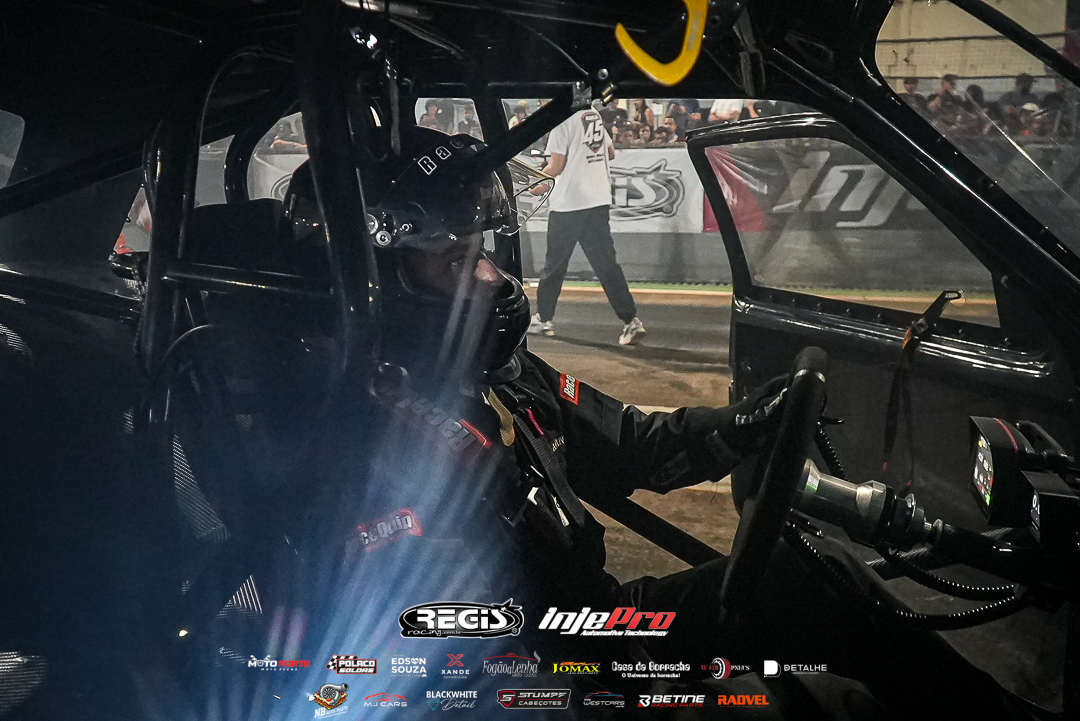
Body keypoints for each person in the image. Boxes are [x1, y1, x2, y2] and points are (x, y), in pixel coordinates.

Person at [271, 126, 1038, 720]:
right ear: (376, 285)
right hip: (542, 670)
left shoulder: (496, 375)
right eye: (454, 261)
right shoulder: (363, 453)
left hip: (594, 626)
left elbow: (627, 444)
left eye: (483, 251)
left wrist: (743, 424)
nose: (492, 276)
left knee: (810, 574)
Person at [529, 106, 645, 345]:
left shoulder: (562, 120)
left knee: (554, 265)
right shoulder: (592, 113)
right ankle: (631, 320)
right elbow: (610, 153)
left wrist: (534, 186)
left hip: (569, 204)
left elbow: (556, 166)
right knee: (606, 265)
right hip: (597, 201)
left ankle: (543, 318)